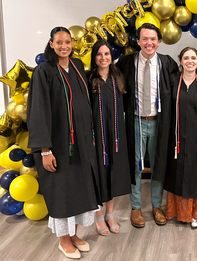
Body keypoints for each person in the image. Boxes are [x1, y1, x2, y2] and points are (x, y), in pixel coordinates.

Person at [27, 27, 101, 259]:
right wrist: (45, 149)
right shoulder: (44, 71)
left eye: (67, 42)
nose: (64, 46)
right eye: (59, 42)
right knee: (62, 192)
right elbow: (38, 110)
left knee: (81, 190)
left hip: (81, 144)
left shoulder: (78, 67)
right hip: (58, 145)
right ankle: (63, 240)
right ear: (51, 44)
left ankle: (75, 235)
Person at [117, 23, 178, 228]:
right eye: (145, 39)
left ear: (159, 42)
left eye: (153, 39)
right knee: (135, 164)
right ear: (138, 41)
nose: (149, 43)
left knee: (159, 164)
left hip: (159, 122)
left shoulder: (167, 63)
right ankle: (135, 207)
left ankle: (156, 205)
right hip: (135, 121)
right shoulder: (127, 62)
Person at [87, 40, 133, 236]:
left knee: (113, 174)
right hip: (97, 135)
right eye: (99, 54)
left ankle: (110, 214)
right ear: (94, 57)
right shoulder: (88, 79)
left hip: (116, 135)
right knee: (98, 175)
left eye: (107, 54)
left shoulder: (118, 77)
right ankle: (98, 216)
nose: (103, 58)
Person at [164, 47, 197, 229]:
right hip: (177, 136)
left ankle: (196, 213)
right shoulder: (173, 81)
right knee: (178, 171)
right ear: (181, 61)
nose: (190, 61)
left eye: (193, 58)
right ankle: (178, 212)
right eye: (186, 58)